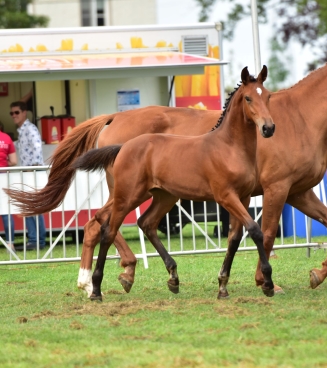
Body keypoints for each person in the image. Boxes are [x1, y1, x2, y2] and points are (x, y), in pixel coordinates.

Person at [9, 101, 46, 251]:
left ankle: (36, 240)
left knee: (33, 207)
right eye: (11, 113)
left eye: (16, 112)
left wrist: (32, 169)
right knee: (30, 207)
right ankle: (35, 239)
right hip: (28, 172)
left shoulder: (30, 129)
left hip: (33, 172)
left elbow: (37, 149)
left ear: (24, 113)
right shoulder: (23, 130)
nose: (13, 116)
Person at [0, 121, 17, 252]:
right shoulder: (6, 138)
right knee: (6, 211)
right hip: (3, 177)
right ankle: (10, 244)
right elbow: (14, 161)